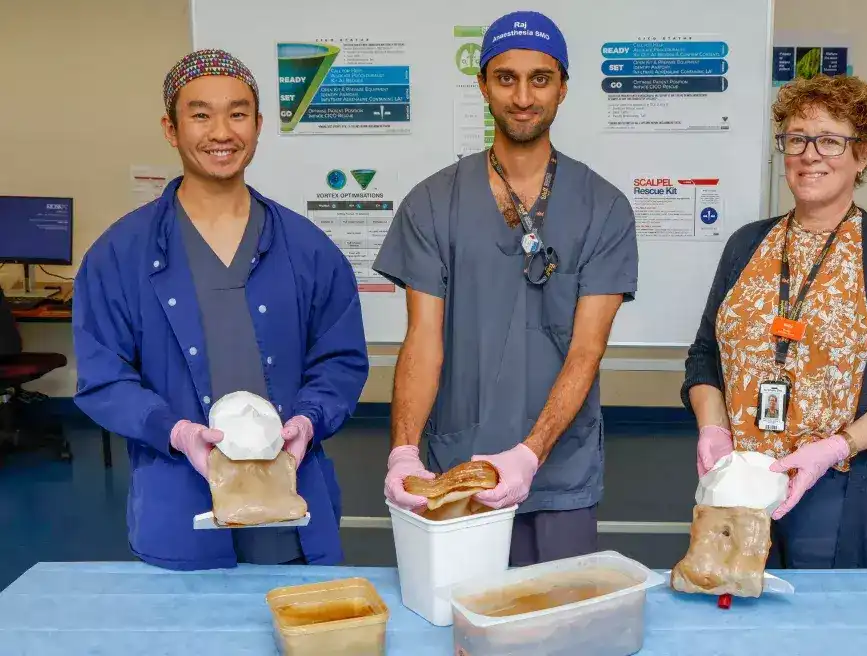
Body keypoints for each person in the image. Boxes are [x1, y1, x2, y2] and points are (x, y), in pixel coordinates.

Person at [72, 49, 369, 570]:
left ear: (258, 125)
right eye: (200, 114)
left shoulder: (309, 249)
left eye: (237, 113)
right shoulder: (120, 254)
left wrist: (308, 420)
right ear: (171, 127)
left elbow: (339, 362)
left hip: (290, 507)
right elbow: (102, 377)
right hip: (180, 509)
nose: (221, 132)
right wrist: (175, 430)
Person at [375, 10, 638, 566]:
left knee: (557, 632)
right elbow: (423, 337)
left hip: (560, 469)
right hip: (456, 467)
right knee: (465, 629)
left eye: (540, 78)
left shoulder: (605, 208)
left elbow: (587, 348)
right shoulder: (432, 203)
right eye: (506, 77)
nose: (523, 96)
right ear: (483, 85)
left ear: (563, 88)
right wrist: (403, 450)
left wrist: (530, 453)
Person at [682, 74, 867, 569]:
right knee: (739, 626)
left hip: (840, 489)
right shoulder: (746, 245)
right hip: (739, 483)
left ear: (864, 153)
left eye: (830, 140)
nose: (810, 154)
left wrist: (834, 448)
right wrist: (712, 429)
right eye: (796, 138)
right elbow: (704, 357)